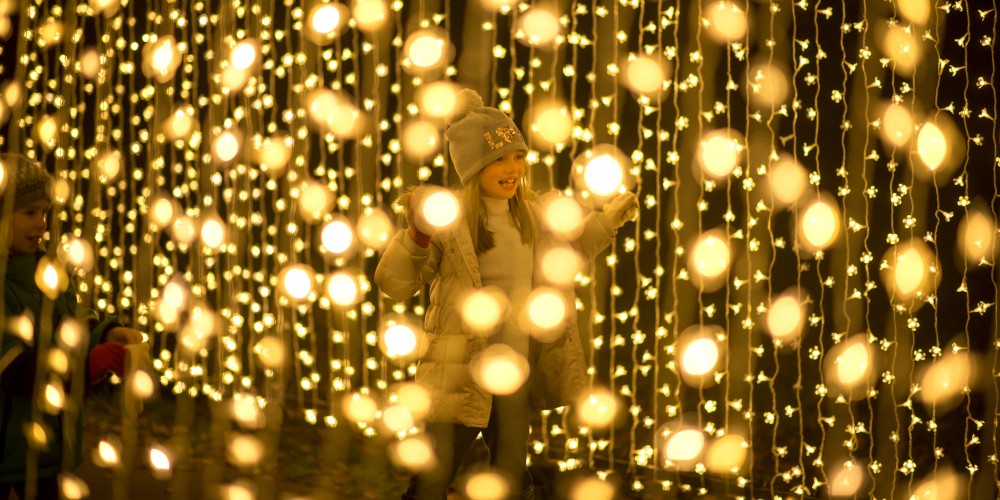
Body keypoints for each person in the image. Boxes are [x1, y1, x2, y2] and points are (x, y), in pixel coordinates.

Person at [375, 90, 638, 500]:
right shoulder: (451, 223)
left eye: (517, 156)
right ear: (472, 167)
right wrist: (417, 236)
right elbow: (395, 283)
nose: (512, 167)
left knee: (512, 481)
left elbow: (569, 253)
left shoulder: (534, 215)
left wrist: (606, 222)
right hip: (458, 374)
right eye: (498, 158)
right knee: (431, 478)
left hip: (513, 374)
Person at [0, 154, 143, 500]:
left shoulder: (48, 267)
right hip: (6, 446)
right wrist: (86, 366)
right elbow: (12, 368)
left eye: (45, 213)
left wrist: (106, 333)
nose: (42, 224)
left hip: (50, 446)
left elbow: (71, 315)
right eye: (30, 213)